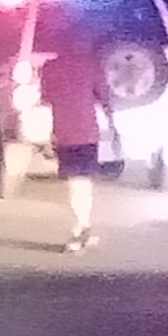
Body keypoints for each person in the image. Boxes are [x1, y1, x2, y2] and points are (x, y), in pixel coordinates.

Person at [38, 17, 112, 253]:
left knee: (75, 184)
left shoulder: (49, 68)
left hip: (63, 132)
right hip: (88, 133)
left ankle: (82, 227)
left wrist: (45, 136)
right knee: (83, 183)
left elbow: (45, 100)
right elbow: (105, 96)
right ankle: (81, 227)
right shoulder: (91, 66)